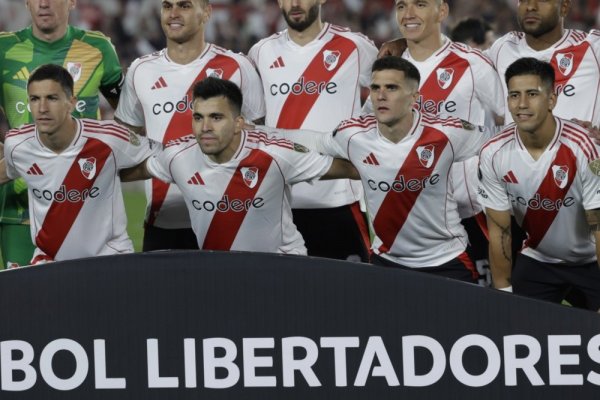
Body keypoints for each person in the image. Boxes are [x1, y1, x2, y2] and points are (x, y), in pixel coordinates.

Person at [272, 56, 490, 281]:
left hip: (447, 260)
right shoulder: (354, 135)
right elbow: (313, 141)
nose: (380, 95)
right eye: (375, 88)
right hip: (387, 262)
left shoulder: (447, 132)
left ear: (414, 97)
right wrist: (258, 133)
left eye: (391, 88)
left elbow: (498, 141)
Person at [121, 77, 358, 253]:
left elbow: (348, 169)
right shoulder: (178, 156)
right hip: (221, 272)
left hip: (283, 270)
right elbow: (135, 170)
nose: (205, 128)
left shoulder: (274, 153)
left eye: (216, 117)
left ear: (238, 123)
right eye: (198, 117)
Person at [115, 0, 265, 252]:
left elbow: (260, 142)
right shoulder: (140, 70)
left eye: (184, 5)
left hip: (226, 218)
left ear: (206, 12)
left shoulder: (238, 67)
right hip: (163, 221)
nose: (173, 14)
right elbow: (126, 140)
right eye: (167, 6)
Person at [247, 0, 377, 262]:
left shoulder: (356, 47)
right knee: (284, 297)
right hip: (279, 204)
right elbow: (252, 123)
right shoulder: (261, 52)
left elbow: (390, 88)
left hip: (340, 201)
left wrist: (363, 127)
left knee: (349, 296)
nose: (295, 4)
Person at [0, 0, 123, 267]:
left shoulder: (98, 48)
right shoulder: (3, 49)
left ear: (71, 2)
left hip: (86, 207)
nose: (44, 4)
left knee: (86, 301)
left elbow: (128, 118)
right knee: (22, 302)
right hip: (21, 207)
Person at [478, 58, 600, 311]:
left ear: (552, 100)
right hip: (539, 258)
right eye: (514, 95)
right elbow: (501, 232)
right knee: (515, 327)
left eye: (532, 94)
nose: (521, 104)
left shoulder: (584, 148)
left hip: (591, 260)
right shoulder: (493, 153)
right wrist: (503, 294)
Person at [0, 64, 154, 264]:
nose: (42, 108)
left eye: (52, 98)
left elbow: (162, 156)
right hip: (49, 262)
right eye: (35, 99)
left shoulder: (108, 138)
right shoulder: (17, 144)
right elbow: (6, 170)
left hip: (110, 259)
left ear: (71, 103)